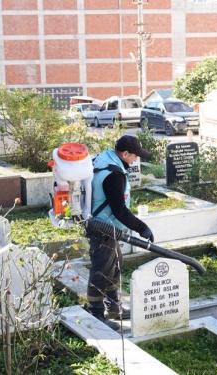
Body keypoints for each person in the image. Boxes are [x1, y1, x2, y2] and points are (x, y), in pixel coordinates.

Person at [87, 135, 154, 330]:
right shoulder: (114, 175)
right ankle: (95, 313)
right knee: (102, 269)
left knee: (115, 264)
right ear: (125, 154)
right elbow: (119, 210)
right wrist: (142, 228)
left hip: (108, 227)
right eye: (134, 156)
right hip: (102, 228)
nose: (136, 159)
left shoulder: (104, 158)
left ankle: (114, 308)